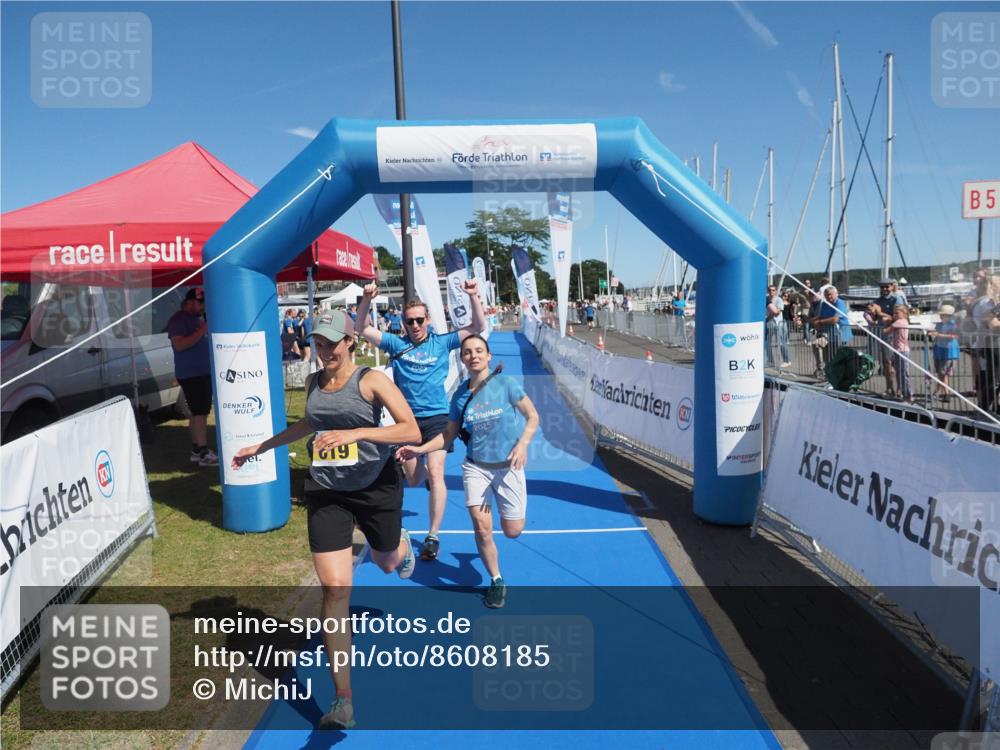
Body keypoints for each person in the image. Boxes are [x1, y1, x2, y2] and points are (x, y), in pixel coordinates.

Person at [231, 310, 420, 730]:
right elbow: (308, 424)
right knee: (335, 589)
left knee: (388, 562)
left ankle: (396, 545)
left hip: (376, 486)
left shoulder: (372, 380)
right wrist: (260, 446)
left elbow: (410, 431)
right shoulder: (314, 382)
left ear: (351, 342)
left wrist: (357, 434)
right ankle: (343, 700)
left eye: (332, 343)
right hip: (327, 490)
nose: (324, 351)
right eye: (318, 343)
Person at [397, 335, 539, 608]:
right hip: (476, 468)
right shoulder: (459, 397)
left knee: (513, 531)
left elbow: (533, 416)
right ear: (461, 359)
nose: (473, 356)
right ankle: (496, 580)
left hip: (509, 467)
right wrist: (419, 450)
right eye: (467, 352)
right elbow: (448, 435)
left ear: (488, 355)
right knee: (482, 527)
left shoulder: (506, 384)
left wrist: (522, 444)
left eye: (478, 351)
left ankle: (472, 557)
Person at [355, 280, 485, 561]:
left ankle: (432, 535)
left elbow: (477, 327)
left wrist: (474, 295)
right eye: (409, 321)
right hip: (407, 422)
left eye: (419, 320)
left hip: (439, 417)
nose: (414, 326)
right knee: (414, 480)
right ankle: (425, 479)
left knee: (437, 472)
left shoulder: (443, 342)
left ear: (428, 320)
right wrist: (366, 298)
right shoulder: (396, 343)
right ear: (403, 322)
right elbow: (362, 328)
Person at [167, 288, 218, 466]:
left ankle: (197, 449)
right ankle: (203, 452)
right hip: (191, 374)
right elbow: (180, 345)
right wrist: (204, 328)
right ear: (189, 302)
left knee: (199, 412)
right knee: (199, 413)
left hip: (201, 373)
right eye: (200, 303)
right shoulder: (178, 320)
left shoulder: (196, 319)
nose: (203, 307)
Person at [810, 285, 852, 375]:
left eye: (830, 295)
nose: (828, 297)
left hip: (841, 335)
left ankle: (839, 375)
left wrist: (820, 322)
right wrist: (812, 320)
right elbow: (820, 316)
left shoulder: (839, 303)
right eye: (826, 295)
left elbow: (834, 319)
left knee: (838, 358)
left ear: (835, 294)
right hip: (829, 335)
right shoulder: (825, 303)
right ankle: (823, 369)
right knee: (817, 345)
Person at [930, 303, 960, 402]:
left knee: (944, 373)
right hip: (939, 350)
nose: (941, 316)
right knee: (940, 372)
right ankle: (937, 391)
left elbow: (953, 336)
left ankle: (946, 393)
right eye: (941, 314)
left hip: (949, 351)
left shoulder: (953, 325)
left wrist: (938, 335)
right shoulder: (939, 324)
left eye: (943, 315)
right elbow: (934, 333)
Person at [889, 304, 913, 403]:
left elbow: (886, 330)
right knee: (899, 374)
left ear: (904, 313)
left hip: (903, 351)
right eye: (894, 313)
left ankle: (908, 396)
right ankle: (904, 394)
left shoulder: (900, 321)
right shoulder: (899, 321)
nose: (894, 315)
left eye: (897, 313)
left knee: (904, 374)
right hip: (898, 350)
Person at [765, 285, 790, 368]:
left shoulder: (779, 299)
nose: (771, 291)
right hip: (769, 324)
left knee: (781, 342)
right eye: (769, 290)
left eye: (773, 290)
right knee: (767, 343)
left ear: (775, 291)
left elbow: (778, 312)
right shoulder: (766, 299)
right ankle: (770, 361)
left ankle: (787, 360)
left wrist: (768, 317)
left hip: (778, 323)